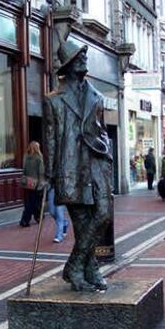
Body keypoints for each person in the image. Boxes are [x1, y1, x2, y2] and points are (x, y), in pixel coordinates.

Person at [43, 40, 113, 292]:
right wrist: (49, 174)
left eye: (84, 54)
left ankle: (74, 265)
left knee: (104, 213)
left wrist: (106, 154)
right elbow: (49, 139)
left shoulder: (96, 95)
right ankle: (90, 267)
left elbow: (102, 129)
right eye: (78, 56)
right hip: (70, 166)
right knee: (83, 223)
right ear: (69, 65)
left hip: (96, 162)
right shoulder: (53, 100)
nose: (84, 58)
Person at [19, 141, 45, 227]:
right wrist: (41, 183)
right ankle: (33, 218)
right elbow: (41, 172)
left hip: (27, 182)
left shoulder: (26, 157)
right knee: (36, 202)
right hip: (36, 183)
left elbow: (24, 170)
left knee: (30, 201)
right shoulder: (39, 158)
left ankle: (33, 218)